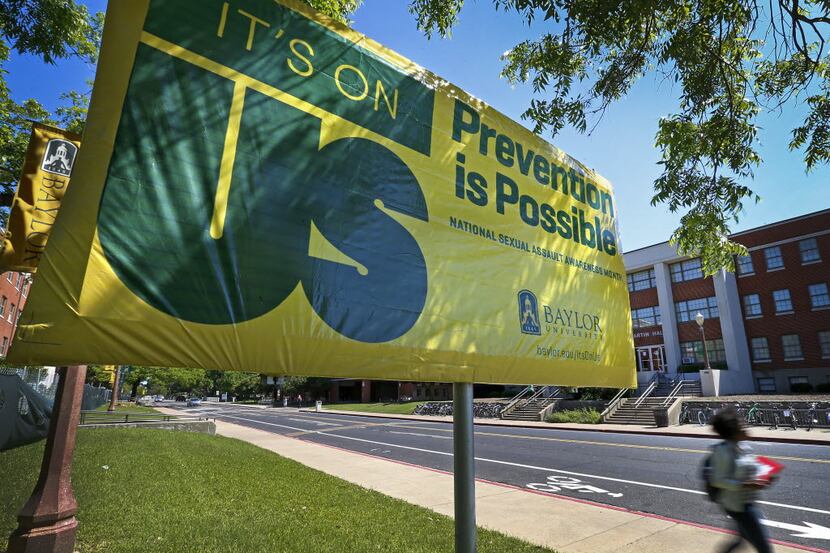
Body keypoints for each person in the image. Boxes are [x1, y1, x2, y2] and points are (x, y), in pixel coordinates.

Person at [710, 409, 773, 553]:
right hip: (738, 506)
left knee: (741, 538)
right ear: (733, 430)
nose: (745, 426)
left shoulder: (744, 446)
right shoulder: (723, 451)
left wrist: (767, 474)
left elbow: (755, 466)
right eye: (741, 424)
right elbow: (717, 480)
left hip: (748, 500)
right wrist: (746, 484)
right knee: (765, 548)